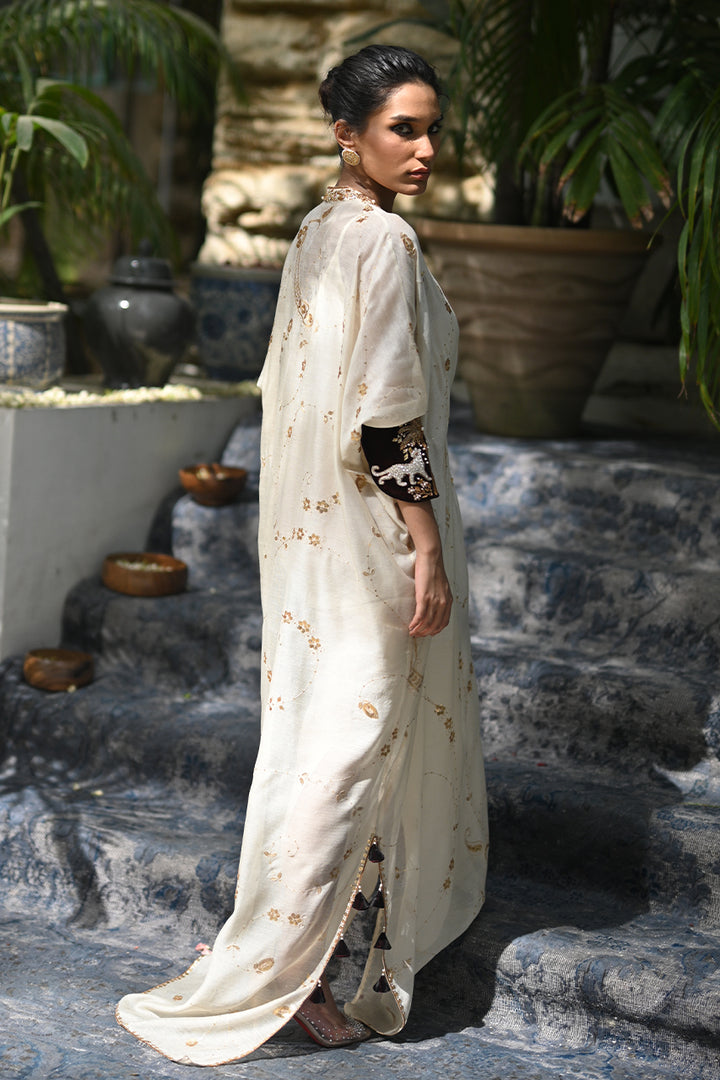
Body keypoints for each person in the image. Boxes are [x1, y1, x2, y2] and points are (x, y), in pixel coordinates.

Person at [116, 44, 488, 1066]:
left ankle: (300, 958)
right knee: (342, 755)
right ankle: (278, 969)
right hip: (371, 537)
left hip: (316, 540)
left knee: (322, 746)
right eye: (403, 128)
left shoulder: (321, 230)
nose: (425, 149)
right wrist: (425, 548)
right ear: (347, 134)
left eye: (432, 129)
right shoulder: (381, 240)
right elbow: (387, 417)